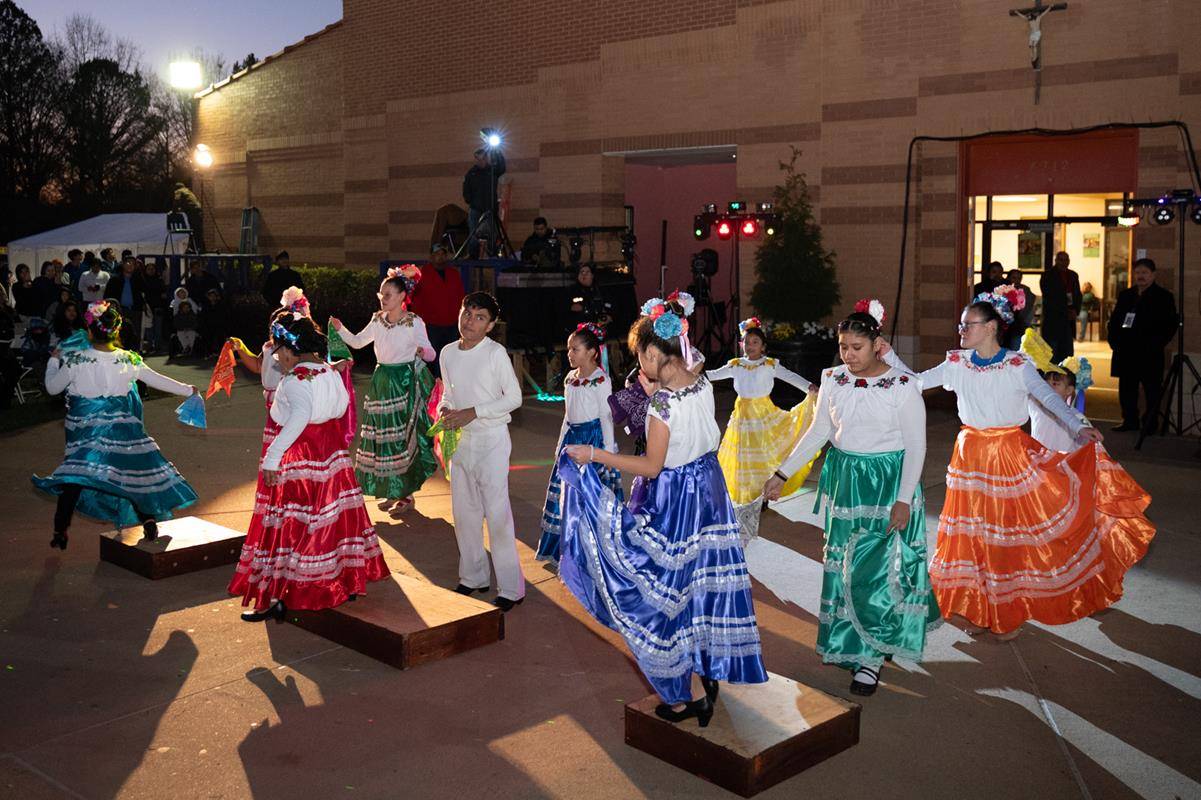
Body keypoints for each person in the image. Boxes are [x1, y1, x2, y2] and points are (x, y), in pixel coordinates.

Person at [882, 285, 1155, 640]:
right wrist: (889, 359)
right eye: (961, 326)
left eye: (969, 325)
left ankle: (1006, 610)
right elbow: (915, 384)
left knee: (1003, 536)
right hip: (969, 456)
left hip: (1007, 455)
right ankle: (981, 607)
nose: (962, 331)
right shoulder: (956, 363)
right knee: (974, 535)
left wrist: (1080, 424)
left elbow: (1049, 399)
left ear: (992, 327)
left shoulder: (1016, 366)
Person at [558, 294, 768, 725]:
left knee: (658, 588)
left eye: (640, 359)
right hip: (710, 487)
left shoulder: (662, 405)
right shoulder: (701, 381)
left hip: (674, 496)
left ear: (654, 354)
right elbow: (693, 369)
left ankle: (684, 692)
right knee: (701, 584)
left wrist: (594, 455)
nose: (638, 370)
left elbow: (651, 465)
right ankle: (706, 673)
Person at [765, 300, 935, 696]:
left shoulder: (904, 386)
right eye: (843, 346)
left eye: (857, 347)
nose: (849, 355)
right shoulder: (833, 379)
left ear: (877, 344)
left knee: (875, 570)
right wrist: (782, 473)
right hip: (846, 482)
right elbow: (819, 431)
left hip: (888, 483)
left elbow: (917, 445)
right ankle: (854, 643)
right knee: (844, 568)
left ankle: (870, 657)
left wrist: (904, 499)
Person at [228, 313, 390, 622]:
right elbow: (342, 406)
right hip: (333, 456)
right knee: (334, 521)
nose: (277, 358)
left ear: (290, 350)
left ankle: (285, 594)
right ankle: (345, 580)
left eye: (278, 352)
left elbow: (297, 419)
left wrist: (273, 458)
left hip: (304, 457)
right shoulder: (328, 372)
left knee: (295, 525)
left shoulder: (295, 380)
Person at [32, 301, 198, 550]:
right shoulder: (128, 359)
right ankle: (149, 520)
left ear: (90, 331)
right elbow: (157, 380)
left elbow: (53, 387)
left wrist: (54, 361)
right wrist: (189, 390)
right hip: (123, 430)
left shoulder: (77, 359)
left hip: (87, 433)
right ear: (116, 331)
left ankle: (60, 531)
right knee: (132, 478)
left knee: (75, 478)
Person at [436, 292, 525, 612]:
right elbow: (447, 392)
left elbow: (514, 397)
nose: (470, 321)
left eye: (479, 317)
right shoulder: (447, 352)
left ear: (490, 326)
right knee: (465, 513)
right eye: (467, 313)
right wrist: (445, 408)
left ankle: (511, 588)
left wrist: (475, 412)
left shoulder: (495, 353)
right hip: (460, 440)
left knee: (497, 515)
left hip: (491, 440)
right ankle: (473, 577)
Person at [331, 265, 438, 515]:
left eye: (388, 294)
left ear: (403, 296)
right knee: (382, 439)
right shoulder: (377, 320)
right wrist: (339, 329)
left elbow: (431, 352)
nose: (383, 298)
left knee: (401, 439)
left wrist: (423, 352)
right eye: (381, 294)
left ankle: (405, 494)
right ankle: (392, 489)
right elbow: (358, 341)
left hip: (403, 383)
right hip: (381, 382)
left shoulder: (414, 322)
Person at [707, 316, 817, 535]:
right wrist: (692, 376)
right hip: (742, 419)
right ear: (742, 345)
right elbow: (713, 375)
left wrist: (810, 387)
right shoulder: (736, 365)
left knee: (765, 455)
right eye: (747, 343)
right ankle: (748, 496)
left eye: (755, 343)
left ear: (763, 346)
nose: (751, 346)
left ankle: (763, 493)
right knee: (743, 458)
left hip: (764, 416)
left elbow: (791, 377)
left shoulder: (770, 364)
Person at [534, 323, 622, 563]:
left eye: (575, 349)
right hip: (572, 439)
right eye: (570, 349)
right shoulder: (570, 378)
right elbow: (568, 414)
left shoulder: (600, 379)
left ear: (592, 352)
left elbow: (606, 415)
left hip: (592, 439)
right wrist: (560, 442)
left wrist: (608, 448)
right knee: (567, 491)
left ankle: (592, 548)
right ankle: (563, 547)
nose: (570, 354)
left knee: (589, 493)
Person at [1107, 258, 1178, 434]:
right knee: (1127, 390)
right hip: (1126, 351)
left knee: (1151, 389)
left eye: (1145, 273)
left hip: (1149, 352)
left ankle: (1150, 424)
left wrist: (1156, 343)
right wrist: (1114, 342)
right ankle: (1129, 420)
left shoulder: (1164, 297)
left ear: (1153, 275)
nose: (1141, 276)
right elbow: (1115, 321)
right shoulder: (1126, 295)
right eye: (1138, 273)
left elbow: (1169, 325)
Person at [1020, 329, 1094, 453]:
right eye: (1046, 383)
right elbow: (1023, 384)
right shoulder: (1037, 406)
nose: (1048, 387)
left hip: (1064, 464)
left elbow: (1085, 442)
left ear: (1069, 390)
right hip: (1039, 460)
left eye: (1055, 384)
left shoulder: (1075, 416)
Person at [408, 244, 465, 378]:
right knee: (432, 358)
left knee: (450, 356)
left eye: (443, 254)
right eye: (437, 254)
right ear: (431, 257)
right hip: (431, 325)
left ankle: (446, 386)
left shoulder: (454, 274)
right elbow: (416, 302)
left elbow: (461, 296)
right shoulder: (422, 275)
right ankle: (432, 386)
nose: (440, 257)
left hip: (451, 324)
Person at [462, 147, 506, 257]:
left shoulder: (492, 171)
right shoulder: (471, 174)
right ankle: (473, 256)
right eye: (478, 159)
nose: (480, 161)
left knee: (493, 233)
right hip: (476, 208)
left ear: (486, 158)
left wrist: (497, 151)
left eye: (482, 159)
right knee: (473, 233)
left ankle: (493, 254)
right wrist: (470, 201)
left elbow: (502, 167)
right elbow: (466, 191)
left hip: (490, 208)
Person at [1039, 250, 1082, 363]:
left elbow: (1078, 294)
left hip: (1068, 320)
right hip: (1053, 319)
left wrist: (1075, 310)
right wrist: (1065, 311)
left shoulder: (1073, 275)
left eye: (1066, 260)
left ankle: (1065, 378)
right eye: (1061, 260)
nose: (1063, 263)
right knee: (1052, 353)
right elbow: (1049, 297)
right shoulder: (1047, 275)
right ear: (1056, 261)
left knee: (1067, 353)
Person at [104, 257, 146, 352]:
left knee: (136, 332)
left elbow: (145, 289)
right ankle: (120, 352)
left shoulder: (138, 278)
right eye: (128, 262)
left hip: (135, 309)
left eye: (133, 263)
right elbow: (107, 295)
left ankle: (136, 352)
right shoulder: (114, 279)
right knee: (120, 331)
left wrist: (139, 274)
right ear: (123, 264)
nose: (130, 265)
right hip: (120, 310)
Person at [562, 263, 613, 334]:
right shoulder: (571, 290)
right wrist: (570, 307)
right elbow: (563, 307)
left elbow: (609, 304)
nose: (584, 274)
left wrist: (608, 315)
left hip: (599, 328)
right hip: (579, 331)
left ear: (592, 275)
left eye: (587, 272)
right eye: (581, 272)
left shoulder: (599, 290)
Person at [1003, 269, 1036, 350]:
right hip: (1004, 327)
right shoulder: (1003, 289)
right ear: (1008, 278)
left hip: (1019, 326)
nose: (1016, 281)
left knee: (1016, 349)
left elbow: (1027, 309)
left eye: (1019, 278)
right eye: (1014, 278)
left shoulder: (1025, 290)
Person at [141, 261, 169, 354]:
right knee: (149, 328)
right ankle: (150, 345)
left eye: (152, 269)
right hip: (147, 307)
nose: (151, 271)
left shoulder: (159, 280)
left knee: (158, 327)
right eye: (149, 269)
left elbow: (164, 294)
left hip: (158, 307)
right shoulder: (143, 280)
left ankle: (158, 346)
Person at [12, 264, 41, 330]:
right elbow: (19, 300)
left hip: (34, 315)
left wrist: (30, 283)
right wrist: (25, 286)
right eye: (22, 272)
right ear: (18, 274)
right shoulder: (16, 286)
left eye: (26, 271)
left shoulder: (34, 285)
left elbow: (37, 298)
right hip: (22, 316)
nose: (25, 274)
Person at [171, 290, 200, 356]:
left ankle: (191, 348)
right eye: (184, 308)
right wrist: (182, 328)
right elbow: (176, 324)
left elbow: (195, 323)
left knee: (191, 334)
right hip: (181, 330)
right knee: (180, 335)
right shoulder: (177, 315)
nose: (186, 309)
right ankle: (186, 347)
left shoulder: (192, 315)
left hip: (191, 329)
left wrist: (190, 328)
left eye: (187, 308)